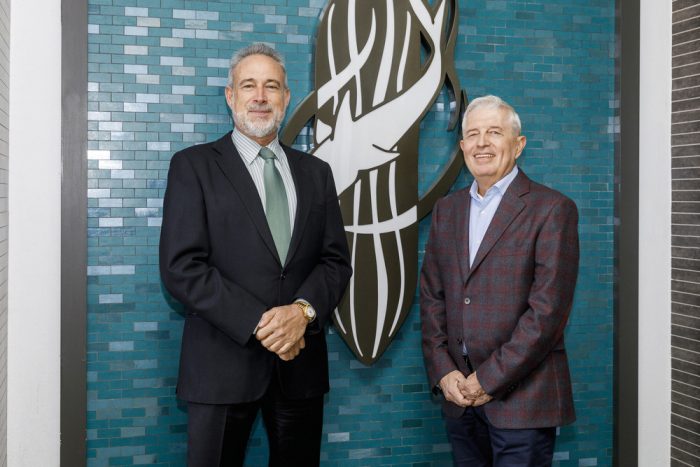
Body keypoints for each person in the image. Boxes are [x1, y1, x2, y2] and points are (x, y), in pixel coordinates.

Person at [159, 43, 352, 467]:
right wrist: (264, 324)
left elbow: (335, 261)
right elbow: (181, 268)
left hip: (299, 368)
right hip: (221, 368)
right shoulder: (193, 167)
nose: (260, 96)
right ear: (231, 96)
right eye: (249, 85)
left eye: (271, 86)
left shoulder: (315, 173)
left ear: (286, 97)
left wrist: (300, 313)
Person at [420, 95, 579, 466]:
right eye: (472, 134)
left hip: (523, 403)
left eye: (494, 132)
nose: (482, 143)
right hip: (459, 399)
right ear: (462, 148)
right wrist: (444, 372)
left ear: (518, 144)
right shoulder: (447, 210)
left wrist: (486, 380)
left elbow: (546, 315)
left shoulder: (552, 209)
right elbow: (431, 297)